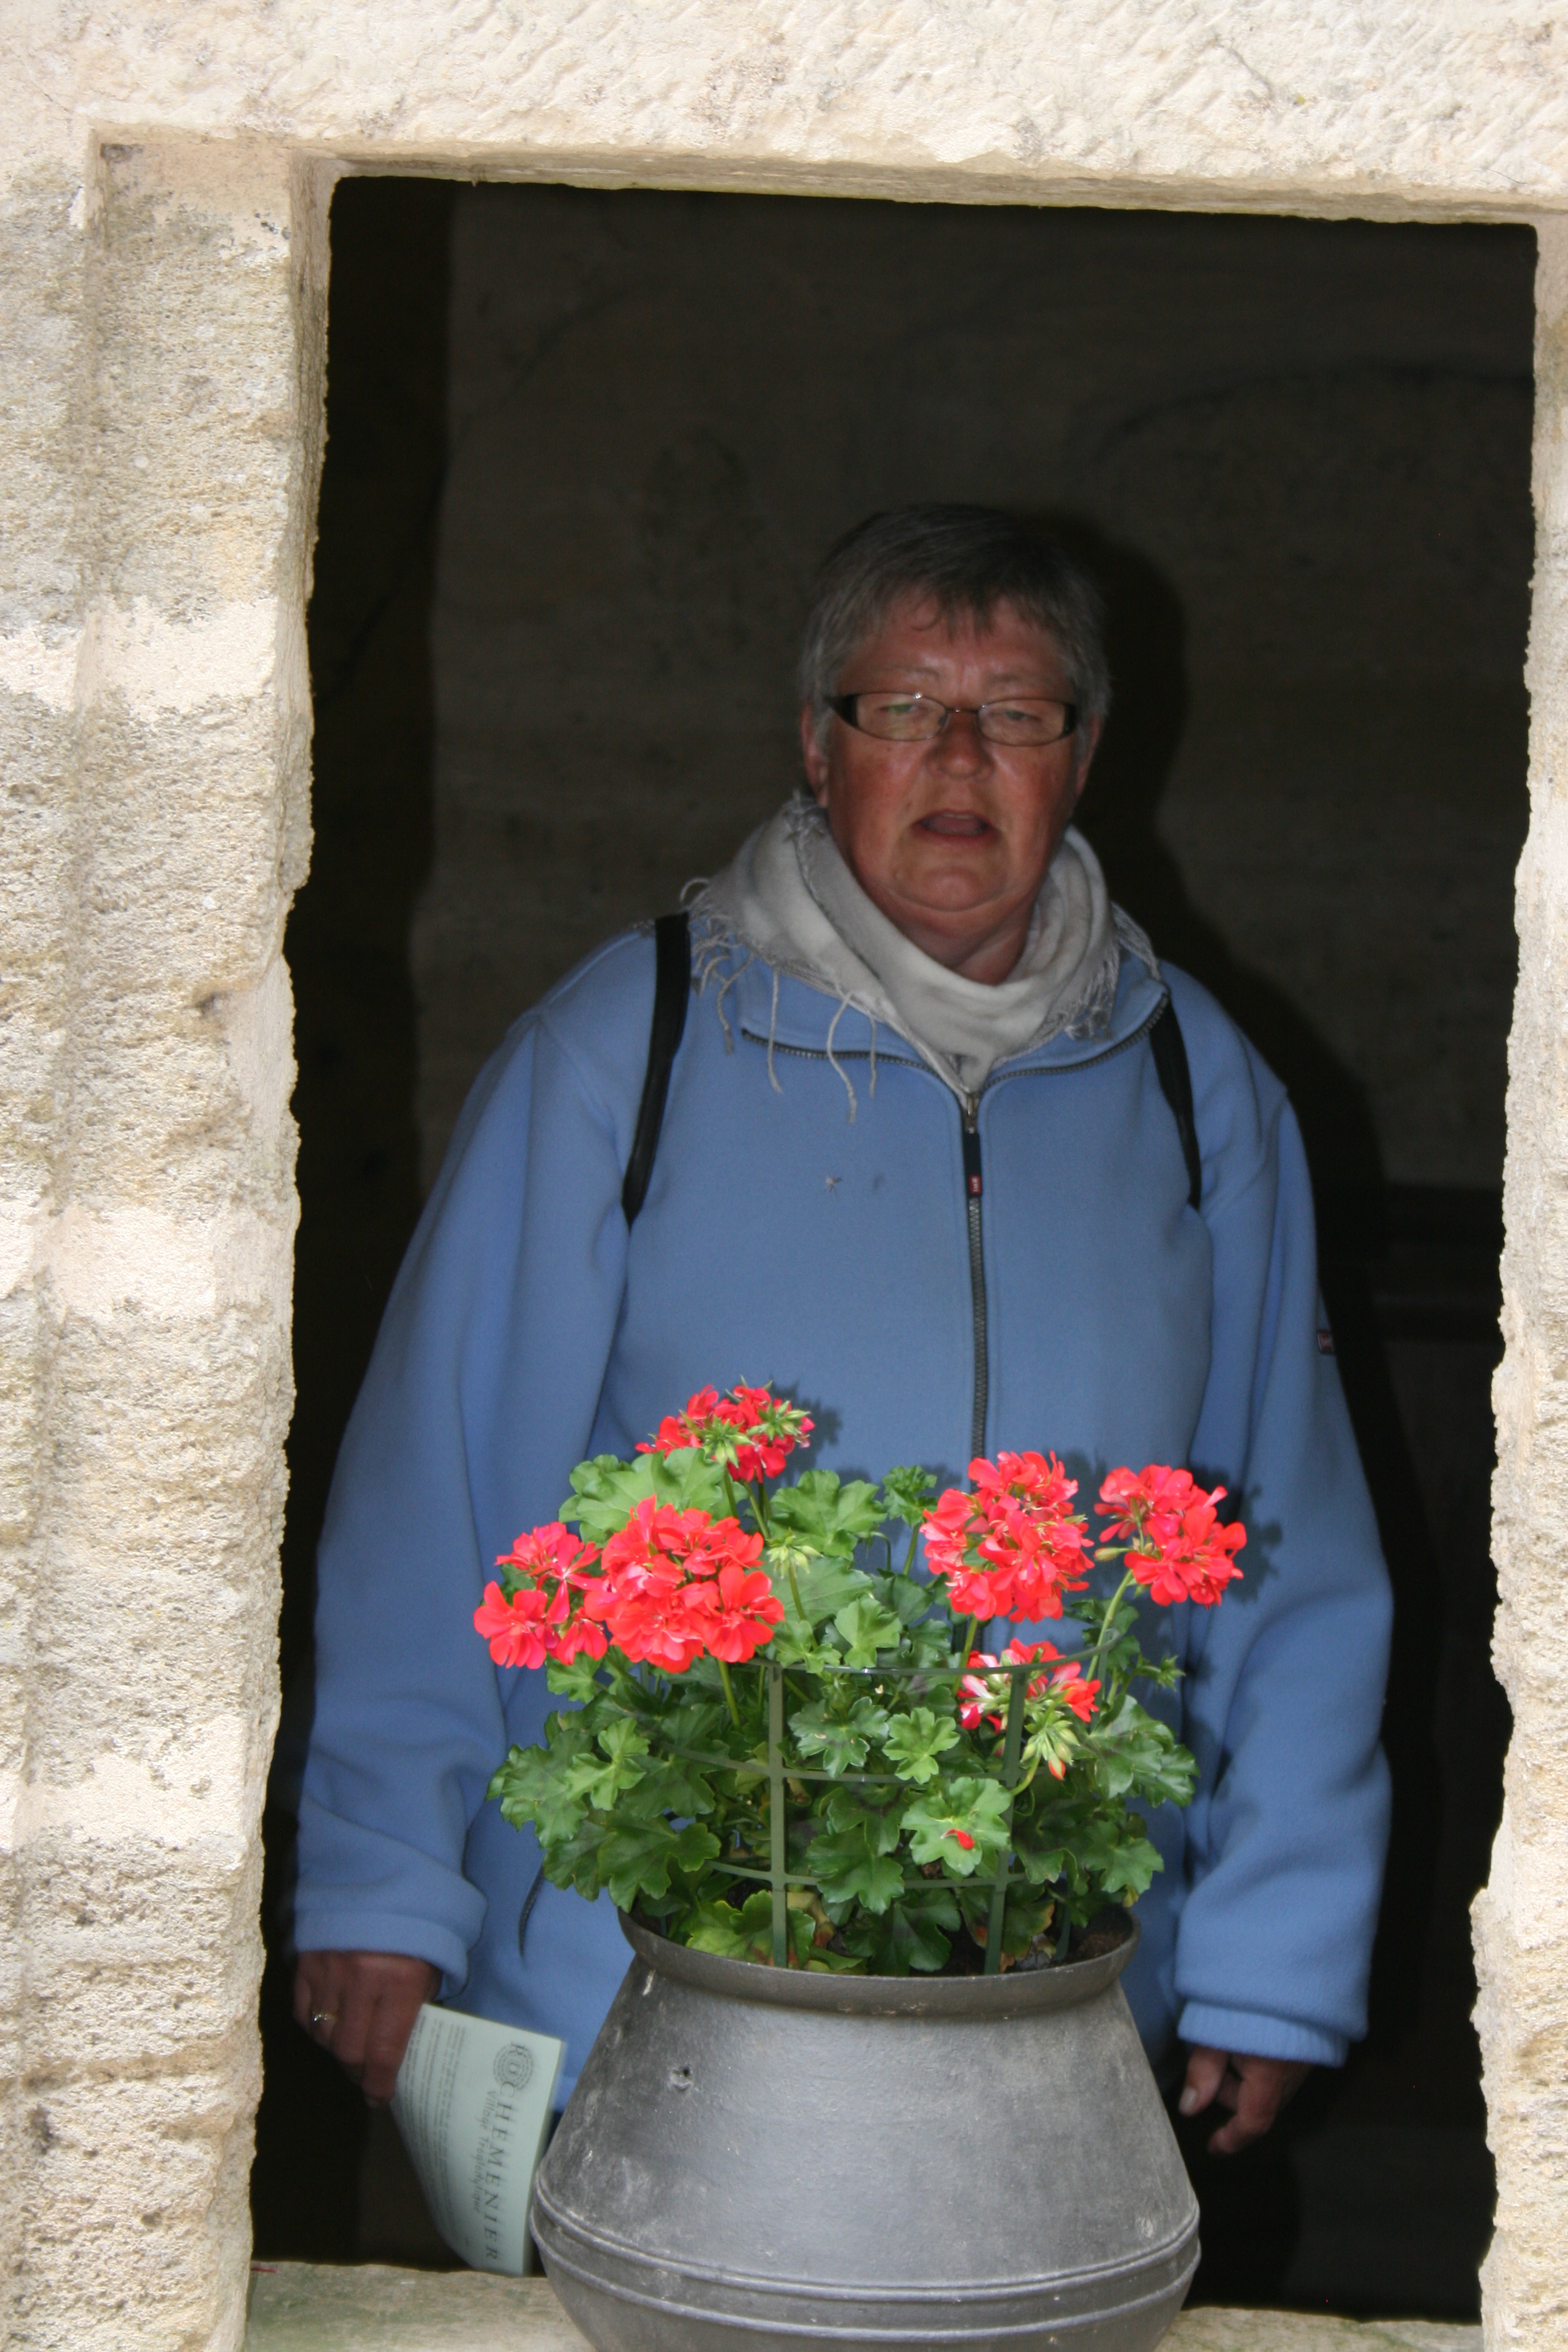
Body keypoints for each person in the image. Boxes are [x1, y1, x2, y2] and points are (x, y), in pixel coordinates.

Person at [292, 504, 1391, 2158]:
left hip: (1053, 1993)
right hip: (636, 1978)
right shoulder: (626, 1050)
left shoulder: (1196, 1089)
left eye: (1016, 712)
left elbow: (1288, 1553)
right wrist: (381, 1882)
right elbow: (432, 1496)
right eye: (902, 706)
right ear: (817, 746)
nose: (958, 756)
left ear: (1085, 756)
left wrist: (1275, 1955)